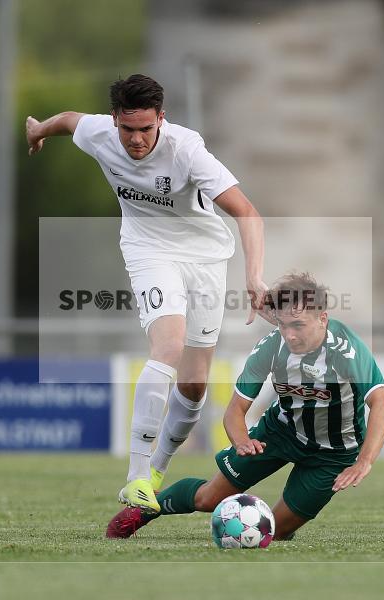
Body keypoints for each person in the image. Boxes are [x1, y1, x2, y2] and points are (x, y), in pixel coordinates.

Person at [26, 74, 269, 514]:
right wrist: (38, 130)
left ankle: (157, 468)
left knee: (194, 386)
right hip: (148, 251)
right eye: (127, 129)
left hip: (207, 259)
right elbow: (65, 120)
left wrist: (254, 277)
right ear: (115, 120)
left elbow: (247, 213)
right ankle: (136, 477)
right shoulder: (100, 133)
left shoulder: (187, 150)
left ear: (162, 119)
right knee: (168, 345)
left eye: (145, 129)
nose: (136, 140)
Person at [105, 272, 384, 541]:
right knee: (207, 498)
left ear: (323, 319)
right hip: (280, 433)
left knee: (272, 532)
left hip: (334, 454)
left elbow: (381, 405)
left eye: (298, 325)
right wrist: (242, 441)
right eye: (282, 324)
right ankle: (147, 508)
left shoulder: (346, 351)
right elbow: (235, 411)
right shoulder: (271, 347)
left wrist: (364, 461)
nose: (289, 335)